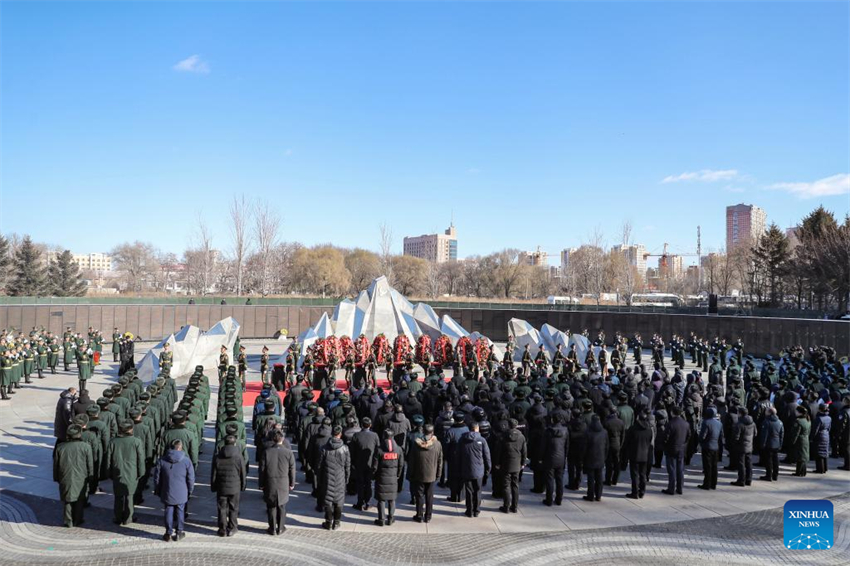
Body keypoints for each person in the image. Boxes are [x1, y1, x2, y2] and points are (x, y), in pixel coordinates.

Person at [152, 439, 195, 542]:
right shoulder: (186, 461)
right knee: (180, 511)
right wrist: (190, 490)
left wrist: (157, 490)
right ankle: (179, 532)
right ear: (180, 447)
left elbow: (156, 478)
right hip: (182, 491)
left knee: (168, 510)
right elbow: (191, 478)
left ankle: (168, 533)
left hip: (167, 490)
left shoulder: (161, 460)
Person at [53, 424, 93, 528]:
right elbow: (90, 464)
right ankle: (78, 519)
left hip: (65, 476)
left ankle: (68, 520)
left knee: (67, 500)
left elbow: (56, 465)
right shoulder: (86, 447)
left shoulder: (60, 447)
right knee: (79, 499)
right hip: (81, 476)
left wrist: (56, 478)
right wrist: (91, 476)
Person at [106, 420, 145, 526]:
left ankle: (118, 517)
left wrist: (109, 473)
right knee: (129, 496)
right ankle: (128, 518)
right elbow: (140, 459)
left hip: (117, 472)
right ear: (131, 429)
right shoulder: (136, 441)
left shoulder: (113, 441)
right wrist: (141, 473)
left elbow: (108, 459)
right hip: (132, 472)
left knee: (118, 496)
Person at [258, 430, 296, 535]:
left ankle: (272, 528)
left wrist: (261, 483)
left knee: (271, 506)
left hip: (270, 481)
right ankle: (280, 527)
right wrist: (292, 483)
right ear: (282, 439)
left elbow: (262, 469)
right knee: (282, 506)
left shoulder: (267, 452)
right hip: (283, 482)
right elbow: (292, 469)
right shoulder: (288, 452)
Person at [211, 435, 246, 536]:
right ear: (235, 443)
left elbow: (214, 473)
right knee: (234, 508)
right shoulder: (239, 456)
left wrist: (213, 486)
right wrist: (243, 485)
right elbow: (243, 472)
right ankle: (232, 527)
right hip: (235, 487)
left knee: (222, 508)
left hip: (221, 486)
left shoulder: (218, 456)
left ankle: (222, 528)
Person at [407, 424, 442, 523]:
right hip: (431, 475)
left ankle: (419, 515)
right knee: (429, 497)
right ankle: (428, 516)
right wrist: (438, 474)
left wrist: (410, 474)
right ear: (432, 433)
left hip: (419, 474)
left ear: (423, 432)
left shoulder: (416, 444)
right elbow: (440, 461)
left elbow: (411, 461)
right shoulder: (437, 444)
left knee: (419, 496)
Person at [318, 425, 350, 530]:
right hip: (340, 476)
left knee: (328, 500)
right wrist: (347, 478)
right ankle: (336, 522)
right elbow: (347, 465)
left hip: (327, 477)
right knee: (339, 500)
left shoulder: (324, 448)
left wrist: (320, 479)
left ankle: (328, 522)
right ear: (340, 434)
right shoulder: (345, 448)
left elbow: (320, 466)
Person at [457, 422, 491, 517]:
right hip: (479, 470)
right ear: (477, 429)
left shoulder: (462, 439)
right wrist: (488, 469)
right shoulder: (482, 440)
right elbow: (487, 457)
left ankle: (469, 510)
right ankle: (476, 510)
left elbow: (458, 455)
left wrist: (459, 468)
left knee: (468, 490)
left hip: (466, 469)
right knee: (478, 490)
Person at [372, 429, 403, 526]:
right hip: (393, 477)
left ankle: (381, 519)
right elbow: (401, 465)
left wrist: (374, 476)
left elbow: (374, 466)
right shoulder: (398, 449)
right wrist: (397, 475)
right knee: (392, 499)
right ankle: (390, 518)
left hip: (381, 477)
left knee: (381, 499)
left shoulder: (379, 450)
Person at [350, 417, 380, 512]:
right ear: (370, 425)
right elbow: (378, 450)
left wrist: (353, 463)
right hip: (370, 464)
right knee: (368, 483)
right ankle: (367, 502)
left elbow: (352, 451)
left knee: (360, 483)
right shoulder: (375, 435)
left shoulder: (356, 435)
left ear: (362, 425)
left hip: (359, 464)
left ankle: (360, 503)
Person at [497, 418, 527, 513]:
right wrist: (523, 463)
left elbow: (499, 451)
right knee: (515, 485)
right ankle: (514, 507)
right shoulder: (521, 436)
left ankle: (506, 506)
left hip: (506, 464)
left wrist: (497, 463)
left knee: (506, 486)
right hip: (516, 464)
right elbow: (524, 451)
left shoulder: (503, 436)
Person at [662, 406, 690, 495]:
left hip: (671, 448)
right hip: (681, 448)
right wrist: (684, 444)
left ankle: (671, 488)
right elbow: (689, 435)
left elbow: (665, 438)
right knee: (680, 469)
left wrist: (665, 445)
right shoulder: (686, 423)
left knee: (672, 469)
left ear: (672, 413)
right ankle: (680, 488)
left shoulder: (671, 423)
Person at [625, 411, 653, 499]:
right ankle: (642, 491)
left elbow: (627, 441)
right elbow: (649, 441)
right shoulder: (649, 429)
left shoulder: (632, 429)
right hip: (645, 454)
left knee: (634, 475)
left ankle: (635, 492)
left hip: (634, 454)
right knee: (643, 474)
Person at [542, 414, 568, 506]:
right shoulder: (565, 431)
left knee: (549, 480)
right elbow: (566, 446)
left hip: (550, 458)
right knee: (559, 480)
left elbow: (544, 446)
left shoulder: (548, 431)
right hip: (561, 457)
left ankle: (549, 500)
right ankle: (559, 499)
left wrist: (542, 458)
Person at [583, 414, 608, 502]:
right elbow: (607, 446)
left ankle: (590, 495)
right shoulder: (604, 432)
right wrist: (604, 457)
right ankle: (598, 495)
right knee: (599, 478)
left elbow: (584, 447)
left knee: (591, 478)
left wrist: (583, 458)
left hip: (590, 457)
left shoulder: (587, 432)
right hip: (600, 457)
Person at [697, 406, 723, 490]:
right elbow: (721, 436)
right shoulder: (719, 423)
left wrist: (700, 441)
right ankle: (713, 484)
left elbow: (703, 435)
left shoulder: (706, 422)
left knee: (707, 466)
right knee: (714, 466)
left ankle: (707, 484)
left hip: (707, 446)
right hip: (715, 446)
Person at [730, 407, 755, 487]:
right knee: (748, 463)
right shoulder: (752, 423)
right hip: (749, 445)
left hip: (741, 447)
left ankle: (741, 480)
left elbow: (736, 437)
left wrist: (734, 444)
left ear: (740, 413)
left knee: (741, 464)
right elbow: (755, 433)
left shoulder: (739, 424)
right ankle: (749, 479)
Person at [759, 407, 784, 482]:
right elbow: (781, 434)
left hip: (769, 444)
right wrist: (780, 444)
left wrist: (762, 444)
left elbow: (764, 435)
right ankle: (775, 475)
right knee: (775, 460)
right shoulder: (780, 422)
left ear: (769, 413)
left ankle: (768, 475)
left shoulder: (766, 422)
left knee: (768, 460)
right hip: (776, 444)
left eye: (766, 411)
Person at [812, 404, 832, 474]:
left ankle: (820, 469)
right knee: (825, 452)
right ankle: (825, 468)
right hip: (826, 435)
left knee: (819, 453)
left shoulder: (819, 418)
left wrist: (812, 437)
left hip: (819, 436)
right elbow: (829, 428)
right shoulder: (829, 418)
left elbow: (815, 430)